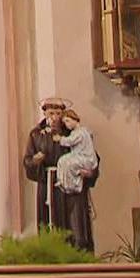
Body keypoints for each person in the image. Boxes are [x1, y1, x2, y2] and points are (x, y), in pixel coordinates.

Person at [22, 97, 98, 252]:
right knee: (50, 228)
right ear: (44, 113)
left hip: (72, 187)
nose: (55, 118)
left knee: (76, 230)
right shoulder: (36, 134)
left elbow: (91, 156)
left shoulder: (75, 132)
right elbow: (28, 161)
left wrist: (90, 172)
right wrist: (36, 161)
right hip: (49, 184)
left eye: (58, 113)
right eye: (51, 113)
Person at [55, 109, 98, 195]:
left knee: (68, 162)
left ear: (74, 119)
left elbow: (71, 141)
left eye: (68, 121)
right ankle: (62, 181)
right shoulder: (75, 132)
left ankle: (74, 185)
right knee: (62, 160)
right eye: (65, 122)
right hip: (78, 156)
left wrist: (60, 139)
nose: (66, 125)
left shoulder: (81, 132)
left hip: (85, 158)